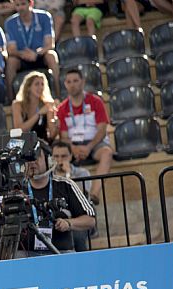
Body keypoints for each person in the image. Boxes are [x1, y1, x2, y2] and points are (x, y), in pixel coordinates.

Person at [16, 141, 95, 256]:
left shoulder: (66, 185)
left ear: (48, 160)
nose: (32, 162)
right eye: (28, 159)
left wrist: (68, 223)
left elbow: (90, 220)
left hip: (60, 253)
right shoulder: (16, 189)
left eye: (36, 157)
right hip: (26, 256)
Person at [56, 68, 112, 203]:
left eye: (75, 81)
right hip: (73, 145)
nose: (72, 85)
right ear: (65, 84)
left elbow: (102, 130)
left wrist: (89, 147)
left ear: (83, 82)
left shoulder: (95, 101)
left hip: (94, 143)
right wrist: (74, 148)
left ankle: (93, 195)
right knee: (58, 156)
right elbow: (64, 136)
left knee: (107, 153)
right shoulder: (62, 108)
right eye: (69, 82)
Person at [4, 0, 60, 100]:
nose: (20, 8)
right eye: (17, 5)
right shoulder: (10, 22)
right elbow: (11, 50)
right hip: (22, 57)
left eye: (23, 4)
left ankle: (58, 95)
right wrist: (23, 54)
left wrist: (36, 53)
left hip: (40, 55)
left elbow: (50, 44)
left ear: (31, 4)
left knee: (51, 56)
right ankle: (11, 99)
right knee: (11, 61)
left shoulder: (44, 17)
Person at [50, 140, 92, 252]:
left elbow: (82, 197)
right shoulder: (48, 177)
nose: (59, 160)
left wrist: (68, 175)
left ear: (70, 156)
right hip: (57, 217)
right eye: (56, 156)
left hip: (77, 216)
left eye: (64, 156)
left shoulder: (82, 173)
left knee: (78, 237)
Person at [12, 70, 57, 142]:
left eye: (42, 84)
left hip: (42, 142)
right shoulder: (18, 105)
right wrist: (38, 114)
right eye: (37, 84)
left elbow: (52, 135)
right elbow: (18, 131)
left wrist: (56, 125)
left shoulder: (47, 105)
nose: (40, 87)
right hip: (24, 143)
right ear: (28, 87)